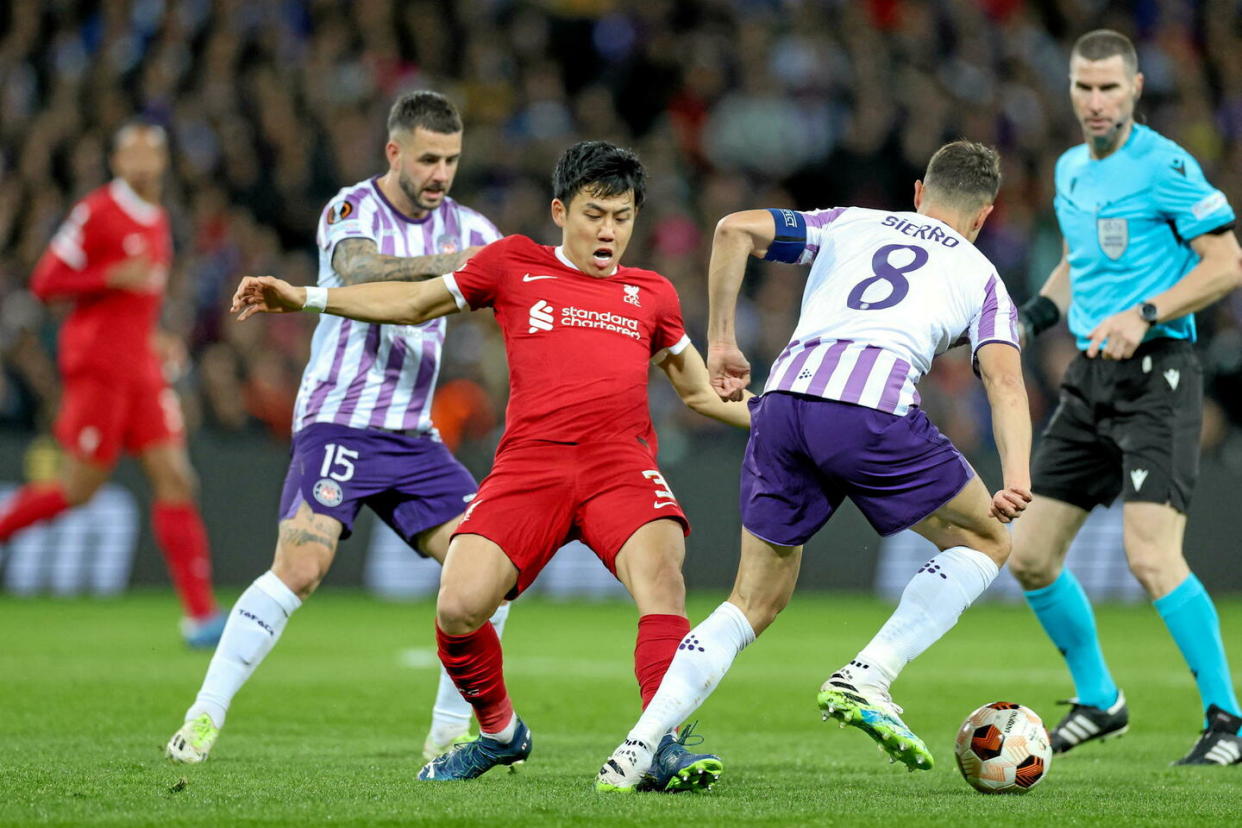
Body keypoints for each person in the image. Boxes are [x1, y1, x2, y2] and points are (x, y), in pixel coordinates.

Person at [229, 140, 752, 789]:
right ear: (561, 210)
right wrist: (306, 297)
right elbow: (414, 303)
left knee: (662, 578)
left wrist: (790, 416)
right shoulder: (513, 265)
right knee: (458, 608)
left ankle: (660, 742)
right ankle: (501, 733)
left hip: (618, 464)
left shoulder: (651, 294)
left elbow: (700, 391)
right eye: (595, 214)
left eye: (622, 217)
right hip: (529, 467)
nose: (608, 230)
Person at [596, 140, 1033, 789]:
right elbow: (1003, 381)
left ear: (918, 192)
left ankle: (633, 750)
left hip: (782, 406)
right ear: (983, 215)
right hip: (869, 408)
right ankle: (869, 675)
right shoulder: (982, 274)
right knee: (989, 539)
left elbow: (733, 228)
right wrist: (1018, 476)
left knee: (752, 601)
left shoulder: (852, 221)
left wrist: (720, 341)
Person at [165, 91, 508, 765]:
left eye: (452, 160)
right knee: (300, 567)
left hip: (414, 437)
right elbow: (357, 271)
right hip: (339, 423)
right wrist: (452, 267)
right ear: (395, 152)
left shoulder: (472, 227)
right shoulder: (352, 209)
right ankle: (203, 716)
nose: (441, 173)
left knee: (489, 571)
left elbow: (521, 284)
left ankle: (446, 734)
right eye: (428, 158)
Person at [1009, 30, 1242, 765]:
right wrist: (1028, 319)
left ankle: (1229, 723)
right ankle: (1100, 700)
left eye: (1110, 87)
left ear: (1136, 88)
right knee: (1031, 556)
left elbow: (1227, 263)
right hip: (1090, 378)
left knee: (1150, 557)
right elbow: (1079, 262)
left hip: (1160, 374)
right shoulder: (1071, 169)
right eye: (1084, 87)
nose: (1096, 101)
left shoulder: (1167, 166)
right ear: (1070, 89)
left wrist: (1145, 314)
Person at [0, 122, 225, 648]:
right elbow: (44, 281)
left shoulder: (161, 218)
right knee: (78, 489)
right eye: (133, 154)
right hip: (98, 367)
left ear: (165, 161)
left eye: (153, 153)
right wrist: (107, 277)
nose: (143, 164)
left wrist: (158, 337)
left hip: (141, 369)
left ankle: (201, 616)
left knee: (176, 477)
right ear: (116, 161)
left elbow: (139, 301)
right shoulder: (98, 211)